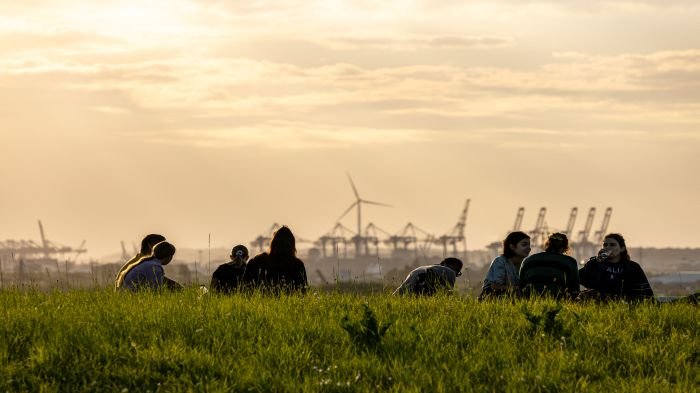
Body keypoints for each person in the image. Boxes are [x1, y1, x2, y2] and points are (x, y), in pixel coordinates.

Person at [578, 233, 654, 301]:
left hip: (625, 304)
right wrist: (597, 261)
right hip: (598, 305)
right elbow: (577, 277)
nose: (608, 247)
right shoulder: (595, 263)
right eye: (605, 245)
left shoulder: (632, 267)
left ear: (622, 248)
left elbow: (645, 293)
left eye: (612, 245)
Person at [242, 226, 307, 294]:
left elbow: (244, 287)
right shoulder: (297, 265)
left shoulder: (257, 261)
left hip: (261, 303)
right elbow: (303, 291)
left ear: (273, 243)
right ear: (292, 245)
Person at [519, 232, 579, 299]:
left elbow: (521, 285)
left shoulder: (528, 260)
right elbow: (575, 290)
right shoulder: (570, 262)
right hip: (558, 301)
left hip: (530, 301)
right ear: (565, 248)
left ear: (547, 245)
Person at [479, 231, 531, 299]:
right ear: (512, 246)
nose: (529, 248)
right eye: (524, 244)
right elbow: (495, 287)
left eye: (529, 245)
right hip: (494, 303)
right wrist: (518, 288)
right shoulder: (500, 261)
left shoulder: (525, 264)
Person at [393, 257, 463, 296]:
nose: (455, 275)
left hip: (402, 298)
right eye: (457, 272)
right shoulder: (450, 272)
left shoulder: (420, 268)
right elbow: (448, 294)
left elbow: (401, 289)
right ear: (455, 268)